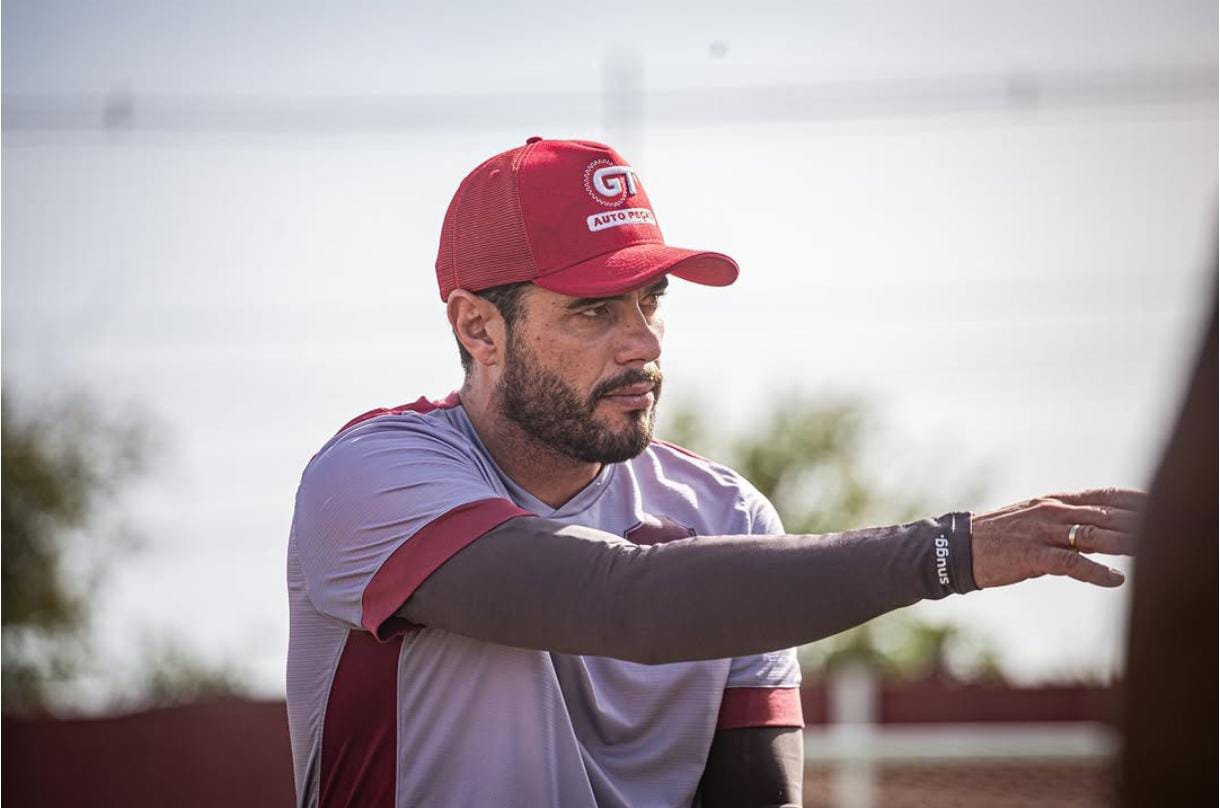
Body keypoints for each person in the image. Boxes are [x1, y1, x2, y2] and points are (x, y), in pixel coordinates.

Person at [285, 137, 1142, 808]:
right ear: (479, 329)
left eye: (651, 301)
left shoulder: (727, 512)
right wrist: (947, 552)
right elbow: (624, 602)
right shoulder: (370, 478)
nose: (643, 344)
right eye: (594, 311)